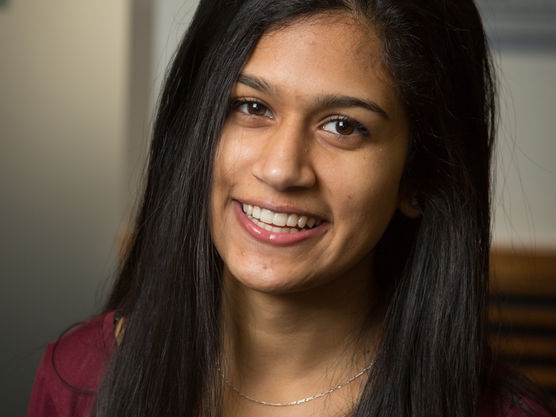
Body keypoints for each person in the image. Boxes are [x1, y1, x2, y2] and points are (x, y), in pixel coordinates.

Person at [27, 0, 555, 416]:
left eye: (344, 126)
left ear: (419, 178)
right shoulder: (82, 378)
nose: (281, 170)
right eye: (251, 107)